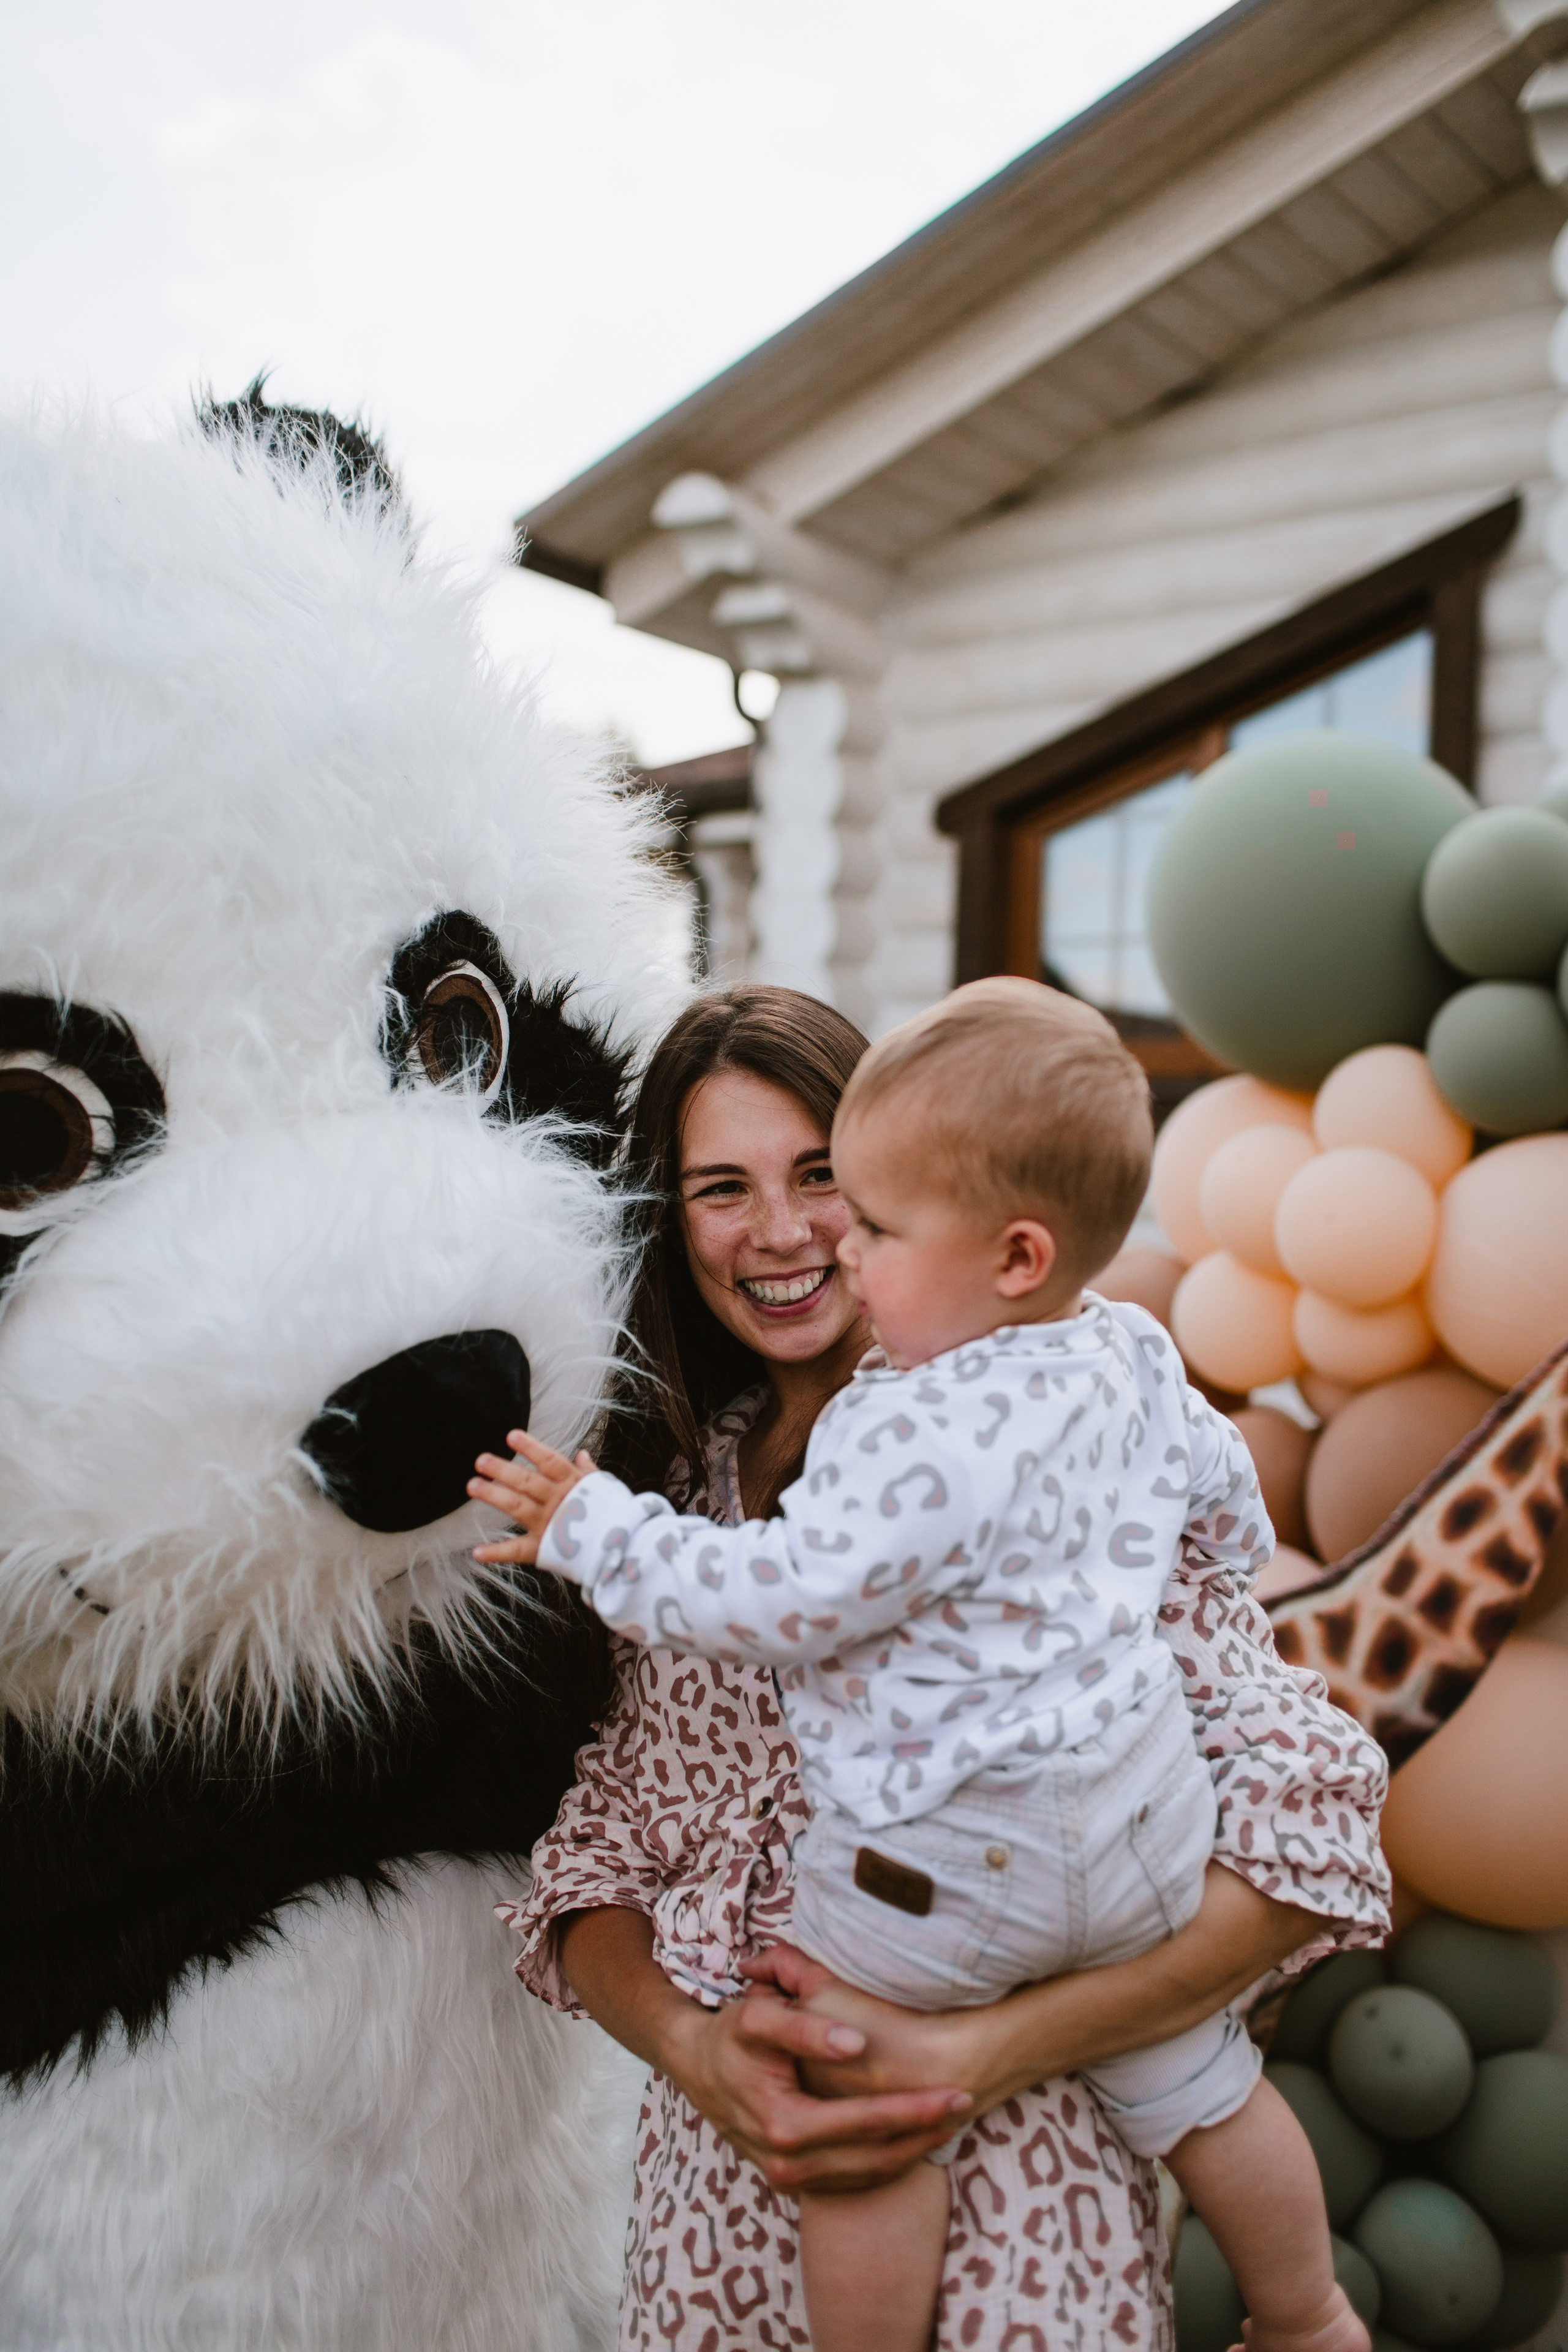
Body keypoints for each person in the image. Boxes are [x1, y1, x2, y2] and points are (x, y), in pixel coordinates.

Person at [483, 984, 1390, 2352]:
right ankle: (1305, 2313)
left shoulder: (987, 1448)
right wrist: (695, 2052)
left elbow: (1291, 1844)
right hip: (719, 2223)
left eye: (825, 1182)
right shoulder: (680, 1483)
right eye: (721, 1188)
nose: (789, 1234)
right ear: (666, 1221)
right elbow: (604, 1854)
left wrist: (974, 2052)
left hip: (1023, 2212)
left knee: (934, 2146)